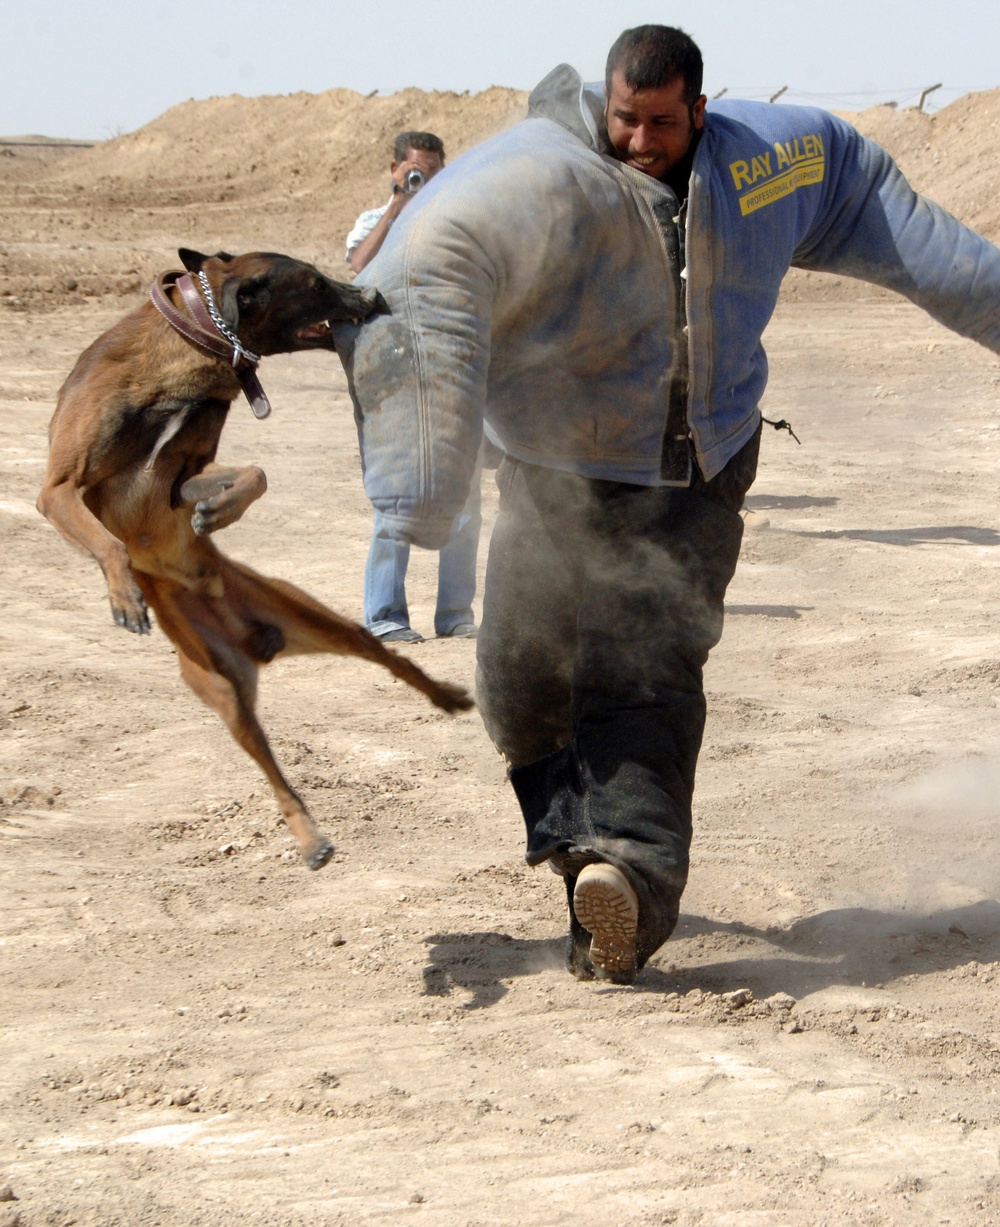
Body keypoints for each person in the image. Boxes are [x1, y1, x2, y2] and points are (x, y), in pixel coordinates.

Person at [333, 25, 1000, 981]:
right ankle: (582, 857)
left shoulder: (762, 165)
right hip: (556, 469)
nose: (641, 140)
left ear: (700, 106)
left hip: (697, 466)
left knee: (639, 674)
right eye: (624, 120)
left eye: (661, 122)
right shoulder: (551, 181)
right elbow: (427, 268)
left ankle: (635, 887)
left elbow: (885, 208)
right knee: (518, 680)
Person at [346, 130, 482, 642]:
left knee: (465, 499)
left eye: (433, 170)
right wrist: (399, 205)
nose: (426, 179)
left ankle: (455, 615)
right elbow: (360, 267)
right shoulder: (372, 223)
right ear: (395, 169)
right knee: (396, 500)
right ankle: (384, 617)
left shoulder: (458, 219)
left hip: (454, 371)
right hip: (397, 377)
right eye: (415, 170)